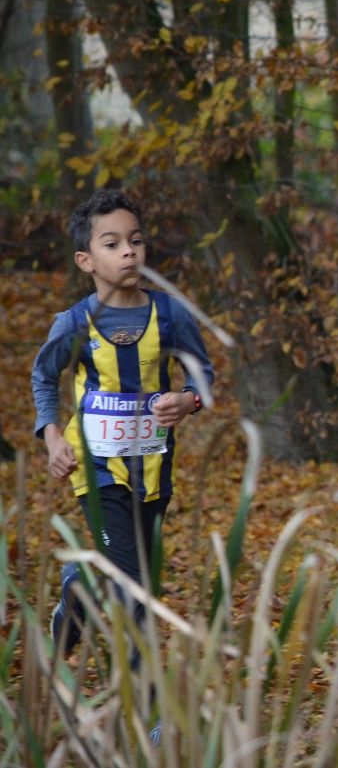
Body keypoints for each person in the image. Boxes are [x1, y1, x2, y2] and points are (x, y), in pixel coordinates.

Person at [33, 190, 214, 663]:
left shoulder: (171, 314)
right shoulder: (74, 323)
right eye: (112, 244)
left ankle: (79, 590)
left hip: (154, 467)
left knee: (141, 576)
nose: (129, 251)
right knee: (134, 585)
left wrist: (188, 399)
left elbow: (203, 375)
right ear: (85, 260)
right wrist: (52, 436)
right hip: (95, 468)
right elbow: (45, 378)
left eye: (136, 241)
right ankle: (146, 706)